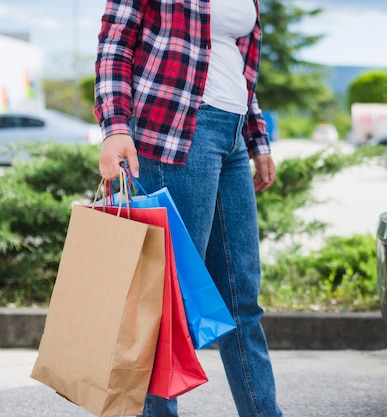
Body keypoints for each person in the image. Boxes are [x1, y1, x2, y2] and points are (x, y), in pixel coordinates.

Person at [94, 1, 283, 416]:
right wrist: (116, 128)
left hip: (231, 137)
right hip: (175, 133)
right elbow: (115, 44)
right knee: (166, 303)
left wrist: (257, 140)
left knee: (242, 299)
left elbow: (237, 65)